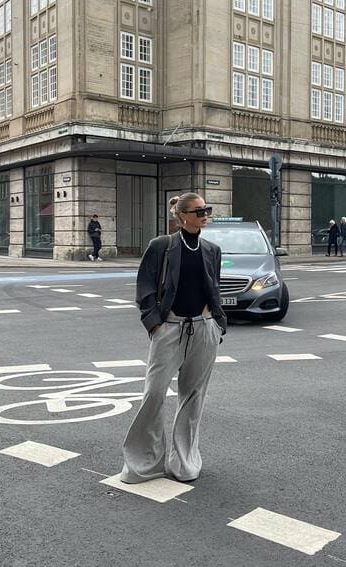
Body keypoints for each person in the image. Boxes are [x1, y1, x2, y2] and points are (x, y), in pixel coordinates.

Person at [120, 192, 227, 484]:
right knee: (154, 394)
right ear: (181, 216)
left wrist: (218, 323)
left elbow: (213, 288)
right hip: (169, 327)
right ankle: (143, 463)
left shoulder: (211, 249)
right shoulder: (161, 246)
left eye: (207, 210)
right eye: (199, 211)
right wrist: (154, 324)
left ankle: (184, 462)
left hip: (204, 328)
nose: (205, 214)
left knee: (194, 398)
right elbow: (145, 287)